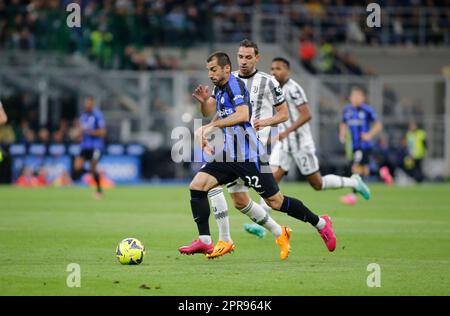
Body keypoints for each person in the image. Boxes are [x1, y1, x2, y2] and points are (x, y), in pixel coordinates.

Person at [178, 52, 336, 260]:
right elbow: (213, 112)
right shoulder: (219, 88)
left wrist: (211, 127)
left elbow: (243, 115)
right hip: (229, 154)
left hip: (249, 156)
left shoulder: (235, 85)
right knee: (198, 185)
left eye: (213, 69)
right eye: (208, 70)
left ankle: (321, 223)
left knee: (275, 202)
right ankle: (206, 241)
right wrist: (205, 102)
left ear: (226, 68)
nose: (210, 74)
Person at [243, 57, 372, 237]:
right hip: (284, 145)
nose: (274, 72)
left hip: (301, 144)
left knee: (317, 183)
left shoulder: (294, 89)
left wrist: (287, 131)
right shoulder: (274, 89)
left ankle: (354, 182)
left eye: (278, 69)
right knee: (270, 181)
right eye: (272, 69)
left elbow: (306, 115)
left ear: (288, 71)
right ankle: (263, 223)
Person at [197, 39, 291, 258]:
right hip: (232, 147)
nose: (244, 61)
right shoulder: (226, 79)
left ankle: (224, 239)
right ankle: (277, 232)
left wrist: (266, 122)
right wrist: (205, 107)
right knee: (237, 200)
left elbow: (284, 114)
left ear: (257, 58)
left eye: (249, 57)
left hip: (253, 150)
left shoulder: (269, 82)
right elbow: (212, 111)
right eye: (241, 56)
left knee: (274, 201)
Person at [339, 86, 382, 205]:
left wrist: (369, 135)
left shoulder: (367, 110)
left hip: (364, 145)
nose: (355, 98)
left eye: (358, 96)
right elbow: (343, 123)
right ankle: (383, 174)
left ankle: (352, 196)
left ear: (363, 98)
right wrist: (342, 135)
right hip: (353, 145)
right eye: (353, 96)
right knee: (364, 170)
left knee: (355, 168)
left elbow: (378, 125)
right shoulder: (347, 110)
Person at [73, 96, 107, 199]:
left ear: (92, 104)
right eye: (85, 103)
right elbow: (80, 130)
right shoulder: (83, 116)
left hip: (96, 146)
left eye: (88, 103)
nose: (86, 105)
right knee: (77, 166)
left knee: (93, 166)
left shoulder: (98, 115)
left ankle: (99, 191)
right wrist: (78, 135)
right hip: (85, 145)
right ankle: (90, 174)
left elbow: (103, 132)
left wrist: (90, 132)